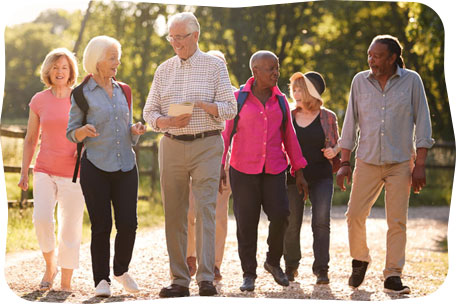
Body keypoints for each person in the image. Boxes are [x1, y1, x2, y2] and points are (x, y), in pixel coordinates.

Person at [143, 12, 237, 298]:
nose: (175, 42)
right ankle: (180, 280)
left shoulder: (214, 67)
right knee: (174, 212)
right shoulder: (164, 69)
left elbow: (230, 108)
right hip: (171, 143)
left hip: (207, 144)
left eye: (180, 37)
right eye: (171, 37)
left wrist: (205, 106)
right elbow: (149, 113)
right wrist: (166, 122)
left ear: (195, 36)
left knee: (206, 209)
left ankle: (206, 278)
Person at [337, 34, 434, 294]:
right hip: (367, 160)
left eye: (377, 56)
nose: (371, 60)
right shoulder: (359, 81)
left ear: (392, 58)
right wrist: (344, 161)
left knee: (397, 220)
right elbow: (350, 122)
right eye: (369, 54)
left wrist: (420, 164)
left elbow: (423, 121)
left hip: (400, 161)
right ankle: (360, 259)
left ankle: (393, 274)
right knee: (354, 214)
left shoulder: (412, 81)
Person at [221, 50, 308, 292]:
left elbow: (289, 136)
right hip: (243, 169)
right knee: (246, 223)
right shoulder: (237, 99)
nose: (276, 72)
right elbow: (225, 135)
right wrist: (220, 165)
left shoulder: (280, 100)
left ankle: (272, 261)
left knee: (281, 214)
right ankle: (249, 273)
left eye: (277, 67)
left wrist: (298, 170)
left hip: (274, 168)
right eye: (270, 68)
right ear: (255, 72)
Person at [66, 35, 146, 297]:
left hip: (126, 165)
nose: (117, 62)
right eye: (112, 57)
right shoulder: (81, 93)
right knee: (101, 226)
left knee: (129, 223)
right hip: (96, 166)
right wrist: (83, 131)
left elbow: (126, 126)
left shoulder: (125, 89)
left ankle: (120, 270)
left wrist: (134, 130)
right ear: (98, 60)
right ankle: (101, 280)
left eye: (117, 57)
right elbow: (71, 131)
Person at [18, 48, 84, 292]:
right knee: (42, 219)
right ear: (48, 70)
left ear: (71, 72)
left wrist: (84, 146)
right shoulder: (39, 100)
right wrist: (25, 171)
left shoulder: (81, 98)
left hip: (75, 172)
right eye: (55, 67)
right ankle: (50, 265)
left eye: (64, 67)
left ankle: (66, 280)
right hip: (44, 168)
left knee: (71, 225)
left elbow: (92, 129)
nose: (59, 71)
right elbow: (31, 138)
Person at [283, 71, 340, 285]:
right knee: (291, 222)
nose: (295, 93)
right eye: (294, 89)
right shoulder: (288, 115)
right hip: (293, 176)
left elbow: (336, 143)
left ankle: (321, 269)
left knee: (321, 221)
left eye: (300, 89)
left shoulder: (328, 117)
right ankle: (290, 267)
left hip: (321, 176)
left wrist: (334, 151)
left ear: (311, 92)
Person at [186, 50, 234, 282]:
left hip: (223, 166)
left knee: (218, 215)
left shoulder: (233, 96)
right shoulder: (194, 92)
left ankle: (214, 263)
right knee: (190, 211)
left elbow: (236, 135)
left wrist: (227, 164)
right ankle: (190, 256)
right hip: (194, 162)